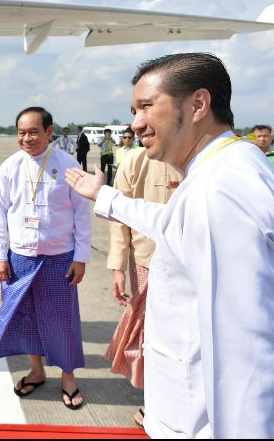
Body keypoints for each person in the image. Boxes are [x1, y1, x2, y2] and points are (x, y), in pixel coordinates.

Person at [65, 52, 274, 438]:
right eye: (134, 110)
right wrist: (105, 197)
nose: (136, 124)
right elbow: (173, 223)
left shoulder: (221, 190)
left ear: (198, 104)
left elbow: (247, 354)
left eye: (147, 106)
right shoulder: (221, 169)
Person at [0, 106, 91, 410]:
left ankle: (68, 377)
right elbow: (0, 215)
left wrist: (81, 257)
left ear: (49, 131)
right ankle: (36, 370)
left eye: (33, 131)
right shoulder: (10, 166)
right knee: (27, 318)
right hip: (19, 258)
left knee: (63, 321)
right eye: (21, 132)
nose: (27, 138)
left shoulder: (69, 164)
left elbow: (82, 215)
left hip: (60, 258)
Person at [104, 148, 183, 427]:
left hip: (188, 266)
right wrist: (117, 269)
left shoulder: (195, 157)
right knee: (147, 334)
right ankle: (154, 402)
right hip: (145, 264)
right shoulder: (133, 161)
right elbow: (118, 221)